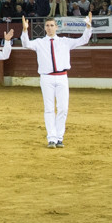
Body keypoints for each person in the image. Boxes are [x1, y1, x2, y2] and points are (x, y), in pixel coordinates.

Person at [20, 13, 93, 148]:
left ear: (56, 27)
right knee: (49, 109)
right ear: (44, 28)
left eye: (52, 25)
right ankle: (51, 138)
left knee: (63, 108)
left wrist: (88, 27)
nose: (49, 28)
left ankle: (59, 137)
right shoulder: (39, 42)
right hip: (46, 78)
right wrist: (25, 30)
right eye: (47, 26)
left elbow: (83, 40)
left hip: (62, 77)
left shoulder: (65, 41)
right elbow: (26, 44)